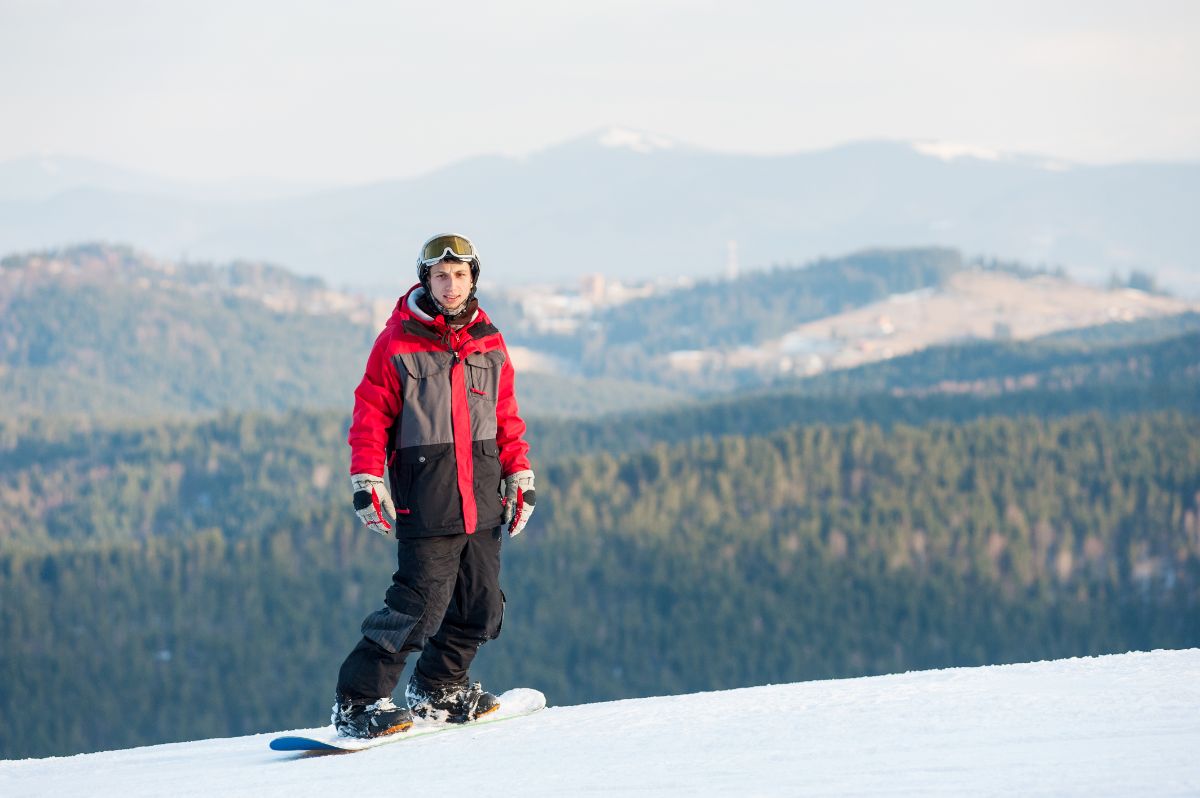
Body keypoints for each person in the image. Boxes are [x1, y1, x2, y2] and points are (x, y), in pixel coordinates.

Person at [330, 233, 537, 739]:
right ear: (426, 279)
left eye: (460, 276)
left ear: (473, 279)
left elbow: (506, 415)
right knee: (418, 605)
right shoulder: (398, 342)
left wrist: (519, 473)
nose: (451, 285)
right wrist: (366, 478)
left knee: (481, 603)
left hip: (484, 494)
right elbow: (370, 415)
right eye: (441, 276)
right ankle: (358, 702)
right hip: (429, 494)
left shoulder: (489, 340)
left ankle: (441, 688)